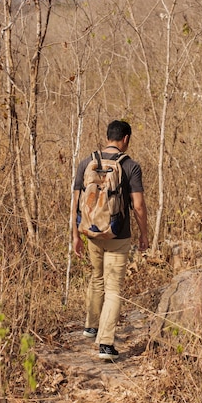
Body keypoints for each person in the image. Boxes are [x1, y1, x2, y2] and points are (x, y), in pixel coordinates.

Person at [72, 120, 149, 360]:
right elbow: (138, 205)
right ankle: (105, 344)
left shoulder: (87, 162)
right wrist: (144, 233)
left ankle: (91, 326)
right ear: (125, 138)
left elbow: (74, 202)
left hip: (91, 232)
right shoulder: (130, 166)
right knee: (114, 288)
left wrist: (75, 235)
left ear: (107, 137)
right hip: (118, 235)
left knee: (97, 278)